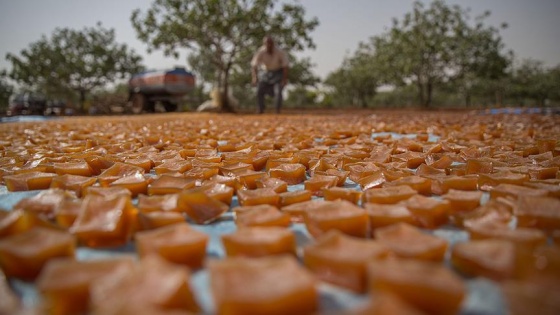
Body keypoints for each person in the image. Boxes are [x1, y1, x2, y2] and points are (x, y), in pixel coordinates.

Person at [251, 36, 289, 114]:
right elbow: (254, 65)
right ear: (264, 44)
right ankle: (260, 109)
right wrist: (255, 77)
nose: (269, 45)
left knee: (278, 91)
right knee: (259, 90)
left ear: (273, 44)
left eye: (270, 43)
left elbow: (285, 66)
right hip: (265, 72)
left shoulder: (280, 52)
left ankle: (277, 110)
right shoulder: (260, 52)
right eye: (267, 43)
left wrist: (284, 79)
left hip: (278, 72)